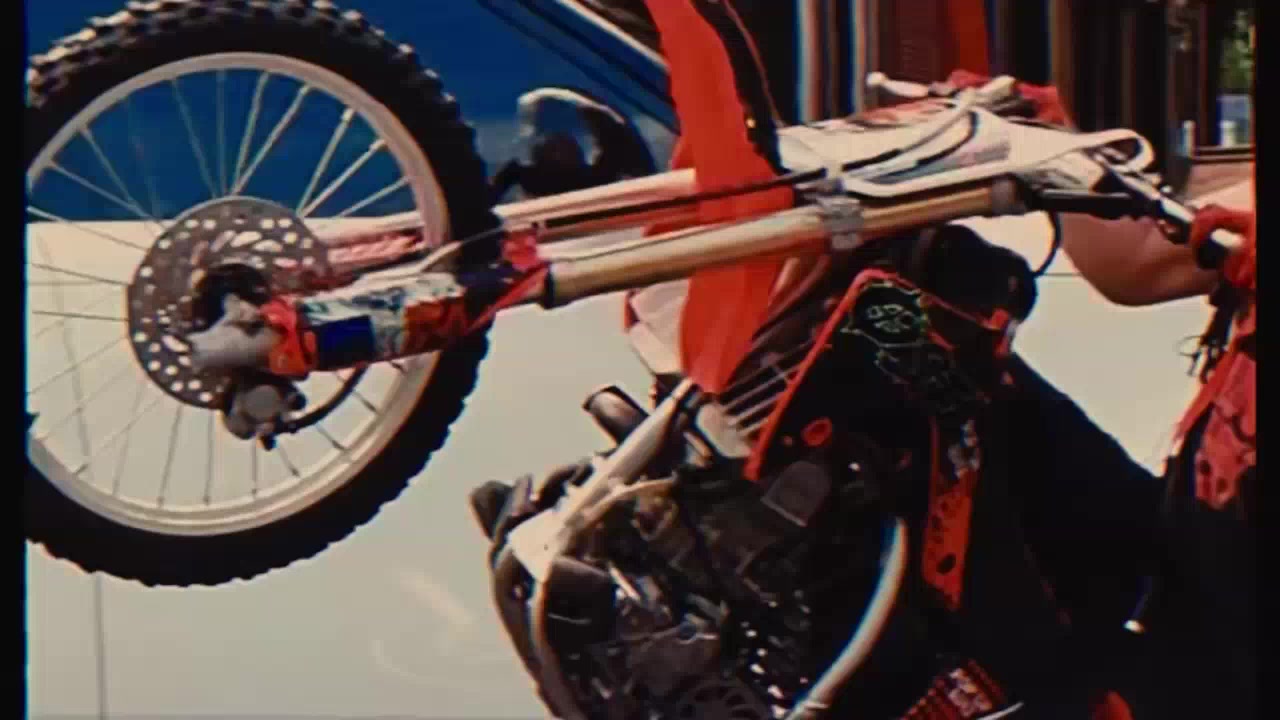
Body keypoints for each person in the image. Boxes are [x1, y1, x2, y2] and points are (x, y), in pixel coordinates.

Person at [949, 69, 1257, 718]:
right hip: (1187, 550)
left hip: (1244, 626)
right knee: (965, 377)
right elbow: (1135, 263)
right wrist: (1051, 144)